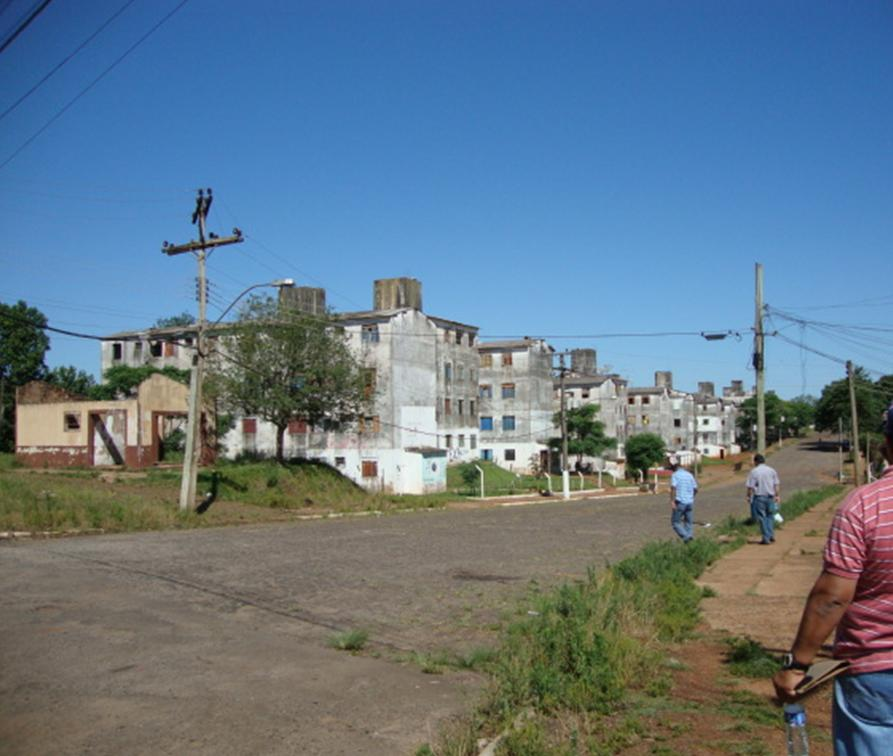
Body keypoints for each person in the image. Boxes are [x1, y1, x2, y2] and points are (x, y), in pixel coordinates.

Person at [773, 402, 893, 754]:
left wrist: (798, 664)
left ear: (886, 442)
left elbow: (833, 597)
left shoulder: (864, 507)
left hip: (877, 673)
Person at [746, 453, 780, 544]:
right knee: (770, 516)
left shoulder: (754, 472)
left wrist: (749, 496)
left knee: (762, 517)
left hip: (760, 497)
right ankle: (771, 535)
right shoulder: (772, 470)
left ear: (756, 462)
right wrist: (777, 496)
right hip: (770, 497)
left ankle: (766, 537)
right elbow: (776, 485)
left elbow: (750, 487)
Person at [668, 455, 698, 543]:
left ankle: (687, 537)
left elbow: (673, 488)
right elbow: (696, 489)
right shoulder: (689, 475)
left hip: (680, 502)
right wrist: (691, 497)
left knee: (675, 522)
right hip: (689, 502)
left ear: (674, 467)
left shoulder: (675, 475)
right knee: (688, 522)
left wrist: (672, 501)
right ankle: (689, 543)